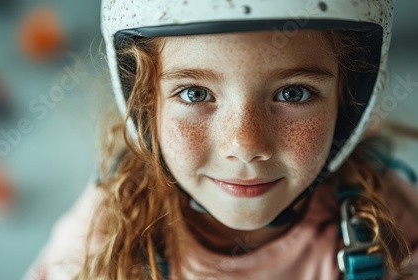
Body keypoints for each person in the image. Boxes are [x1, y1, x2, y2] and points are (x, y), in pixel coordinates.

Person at [25, 0, 418, 279]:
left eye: (293, 93)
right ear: (146, 103)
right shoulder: (99, 241)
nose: (245, 144)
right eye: (196, 93)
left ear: (349, 106)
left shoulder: (394, 225)